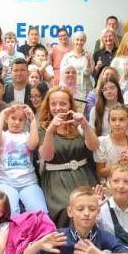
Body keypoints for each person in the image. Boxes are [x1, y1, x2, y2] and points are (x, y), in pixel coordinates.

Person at [38, 87, 100, 226]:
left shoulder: (79, 124)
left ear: (70, 105)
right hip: (56, 179)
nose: (58, 108)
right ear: (48, 106)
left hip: (83, 176)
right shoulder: (43, 127)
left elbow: (94, 146)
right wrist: (50, 130)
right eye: (53, 104)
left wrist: (85, 125)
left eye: (63, 103)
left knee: (91, 204)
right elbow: (47, 156)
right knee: (67, 207)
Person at [0, 103, 47, 215]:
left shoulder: (27, 136)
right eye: (13, 118)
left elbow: (33, 144)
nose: (17, 122)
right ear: (7, 119)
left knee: (41, 213)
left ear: (25, 122)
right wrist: (3, 113)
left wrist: (33, 120)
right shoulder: (3, 135)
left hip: (28, 182)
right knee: (10, 213)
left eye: (21, 120)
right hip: (5, 182)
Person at [94, 105, 128, 181]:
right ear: (109, 122)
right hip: (109, 184)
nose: (117, 123)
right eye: (113, 120)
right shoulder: (102, 142)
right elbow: (100, 172)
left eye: (121, 119)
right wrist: (118, 165)